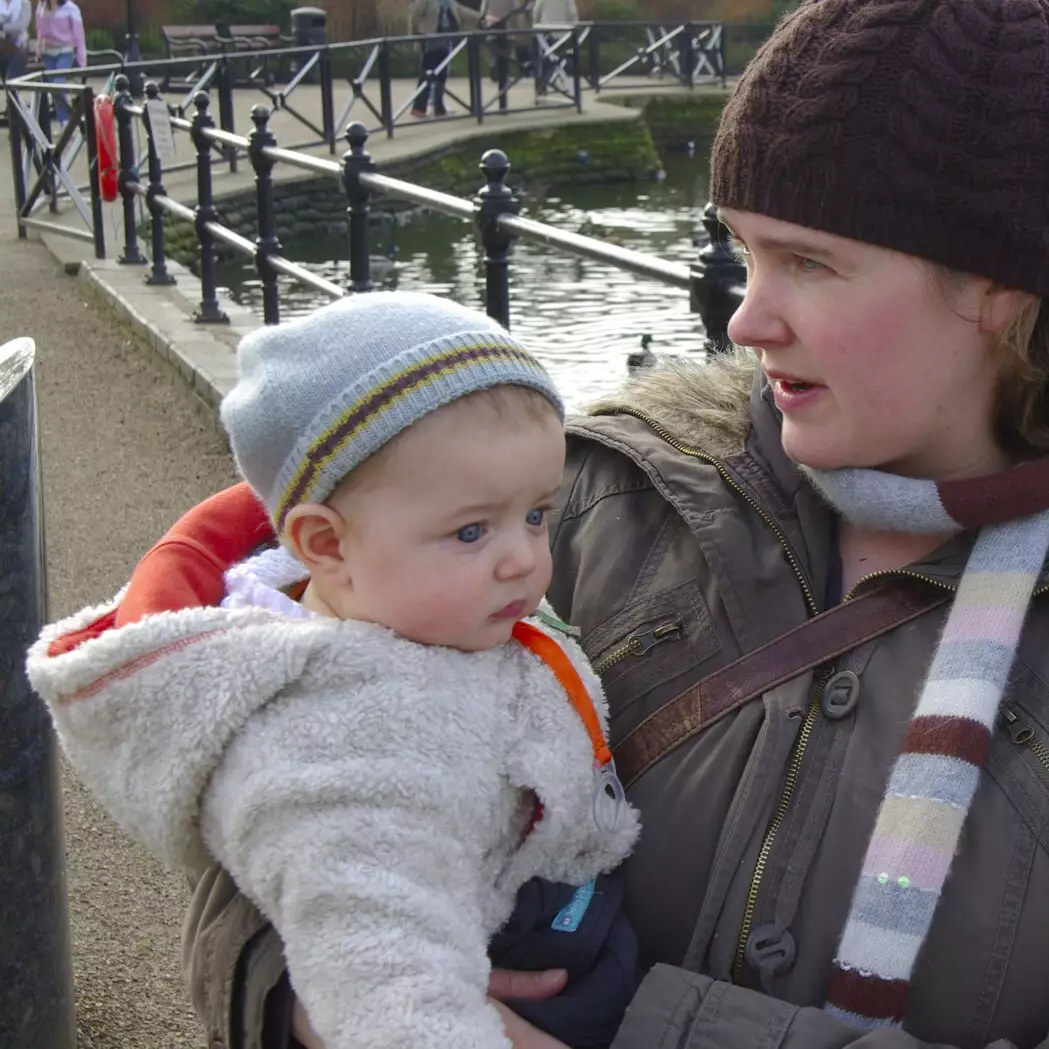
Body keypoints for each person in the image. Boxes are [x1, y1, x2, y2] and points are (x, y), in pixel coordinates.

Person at [98, 2, 1049, 1047]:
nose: (743, 315)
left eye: (810, 264)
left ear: (1000, 286)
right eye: (741, 250)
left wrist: (634, 1028)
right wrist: (305, 1004)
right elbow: (281, 823)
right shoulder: (607, 501)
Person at [28, 293, 644, 1049]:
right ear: (324, 546)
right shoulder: (335, 749)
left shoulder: (434, 608)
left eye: (538, 513)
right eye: (473, 529)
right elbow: (386, 991)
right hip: (517, 981)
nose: (523, 556)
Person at [408, 0, 479, 118]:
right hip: (430, 40)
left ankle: (439, 107)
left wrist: (481, 16)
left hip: (445, 40)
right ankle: (419, 108)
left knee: (442, 74)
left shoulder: (448, 1)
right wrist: (415, 37)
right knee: (427, 73)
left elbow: (461, 11)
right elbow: (414, 16)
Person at [30, 0, 82, 125]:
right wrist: (38, 50)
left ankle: (65, 120)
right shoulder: (41, 8)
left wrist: (81, 59)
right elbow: (39, 31)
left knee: (58, 83)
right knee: (53, 87)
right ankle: (62, 119)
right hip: (49, 52)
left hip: (65, 51)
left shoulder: (71, 9)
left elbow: (79, 35)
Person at [0, 0, 30, 83]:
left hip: (19, 46)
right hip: (1, 47)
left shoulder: (24, 3)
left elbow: (21, 26)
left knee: (12, 80)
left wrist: (2, 27)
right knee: (5, 80)